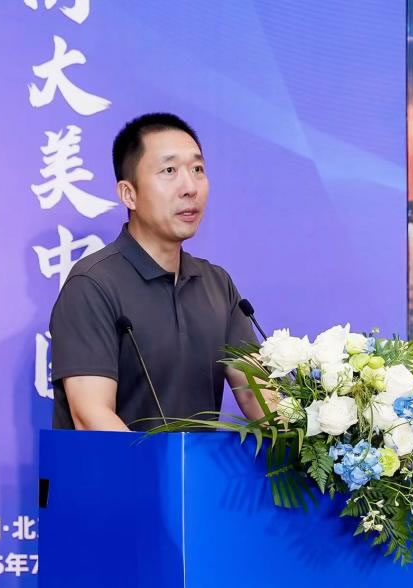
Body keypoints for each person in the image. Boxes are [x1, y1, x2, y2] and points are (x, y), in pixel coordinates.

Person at [49, 112, 268, 431]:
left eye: (197, 169)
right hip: (124, 465)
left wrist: (312, 435)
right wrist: (159, 465)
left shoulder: (217, 284)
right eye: (169, 171)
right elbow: (91, 416)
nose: (190, 187)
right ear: (129, 194)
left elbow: (258, 395)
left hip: (198, 466)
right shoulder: (92, 285)